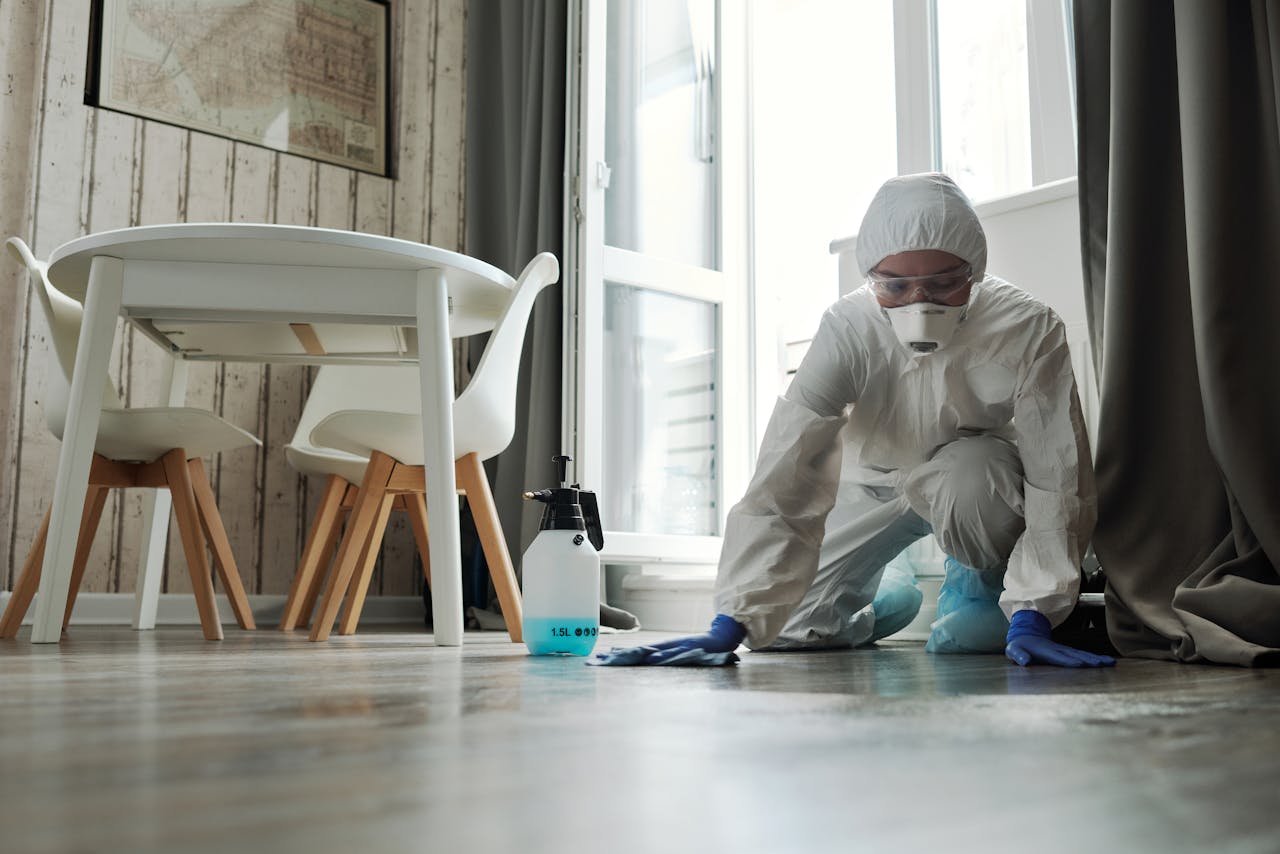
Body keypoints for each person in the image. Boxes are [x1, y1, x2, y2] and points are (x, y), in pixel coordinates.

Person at [608, 172, 1114, 668]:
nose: (920, 304)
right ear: (870, 277)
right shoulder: (848, 327)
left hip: (974, 484)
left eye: (942, 284)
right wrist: (733, 618)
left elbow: (1056, 472)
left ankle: (977, 582)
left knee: (973, 485)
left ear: (974, 272)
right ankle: (889, 589)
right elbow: (787, 468)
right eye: (894, 287)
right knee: (786, 628)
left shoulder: (1026, 327)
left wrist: (1035, 612)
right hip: (870, 482)